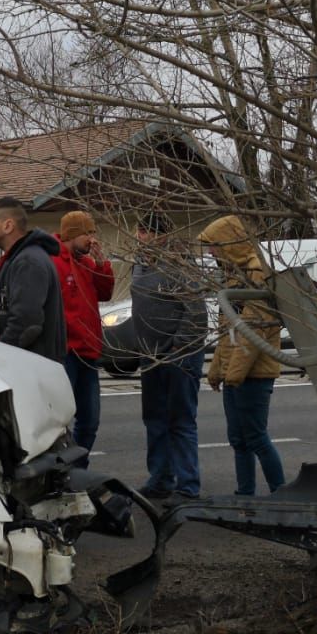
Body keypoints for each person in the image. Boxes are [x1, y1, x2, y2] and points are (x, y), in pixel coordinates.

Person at [199, 214, 285, 496]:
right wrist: (217, 370)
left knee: (256, 437)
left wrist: (232, 374)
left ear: (229, 242)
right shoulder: (234, 274)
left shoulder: (257, 272)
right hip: (235, 373)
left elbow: (253, 329)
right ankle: (244, 493)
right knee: (238, 438)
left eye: (214, 246)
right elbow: (229, 329)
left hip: (255, 372)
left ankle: (281, 493)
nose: (210, 252)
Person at [131, 213, 205, 502]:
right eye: (139, 231)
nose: (139, 237)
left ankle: (188, 486)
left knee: (181, 421)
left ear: (161, 236)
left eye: (145, 232)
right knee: (154, 419)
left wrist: (178, 349)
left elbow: (196, 312)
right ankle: (160, 478)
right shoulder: (139, 264)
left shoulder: (180, 264)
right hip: (150, 356)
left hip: (179, 356)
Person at [52, 209, 116, 462]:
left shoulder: (87, 263)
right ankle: (61, 472)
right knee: (59, 420)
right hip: (67, 352)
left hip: (88, 352)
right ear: (72, 234)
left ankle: (78, 470)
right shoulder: (54, 261)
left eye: (93, 232)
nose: (93, 239)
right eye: (88, 233)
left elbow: (105, 293)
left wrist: (102, 265)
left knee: (90, 419)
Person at [0, 196, 66, 361]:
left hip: (31, 366)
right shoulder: (16, 259)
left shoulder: (28, 262)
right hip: (25, 363)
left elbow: (26, 322)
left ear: (8, 226)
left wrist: (0, 355)